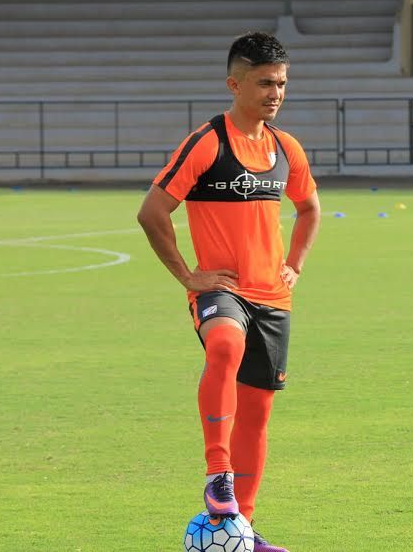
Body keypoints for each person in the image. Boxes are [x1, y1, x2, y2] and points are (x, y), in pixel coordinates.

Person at [137, 31, 321, 552]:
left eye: (282, 83)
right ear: (234, 84)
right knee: (223, 346)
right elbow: (152, 212)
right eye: (265, 82)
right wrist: (187, 276)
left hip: (273, 298)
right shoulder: (207, 142)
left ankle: (245, 529)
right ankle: (217, 472)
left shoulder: (287, 148)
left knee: (257, 415)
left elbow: (310, 209)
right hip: (222, 289)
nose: (276, 92)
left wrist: (294, 266)